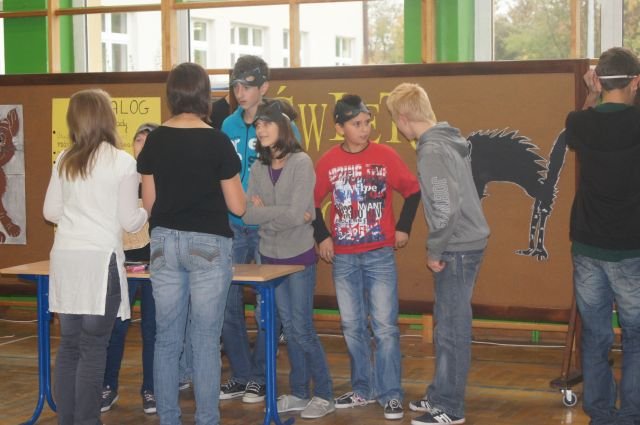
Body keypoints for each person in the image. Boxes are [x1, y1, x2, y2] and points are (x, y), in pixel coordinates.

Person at [137, 62, 245, 425]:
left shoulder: (155, 139)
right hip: (209, 245)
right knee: (205, 339)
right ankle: (206, 419)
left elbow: (148, 205)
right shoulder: (217, 140)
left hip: (164, 243)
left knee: (167, 339)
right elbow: (238, 206)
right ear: (205, 96)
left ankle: (168, 418)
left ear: (171, 95)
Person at [386, 83, 490, 425]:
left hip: (457, 248)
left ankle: (450, 407)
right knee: (447, 324)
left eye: (395, 121)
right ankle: (439, 394)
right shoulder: (447, 139)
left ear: (403, 118)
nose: (397, 128)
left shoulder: (431, 149)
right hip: (464, 243)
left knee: (451, 330)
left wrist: (435, 249)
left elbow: (445, 207)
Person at [312, 94, 421, 421]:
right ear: (340, 128)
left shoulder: (385, 156)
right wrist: (322, 235)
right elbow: (310, 201)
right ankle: (362, 388)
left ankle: (391, 393)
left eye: (367, 122)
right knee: (352, 326)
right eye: (357, 124)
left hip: (379, 255)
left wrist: (403, 228)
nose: (365, 129)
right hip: (344, 258)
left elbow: (413, 191)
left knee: (385, 327)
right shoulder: (329, 162)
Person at [43, 88, 148, 425]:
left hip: (66, 261)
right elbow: (130, 220)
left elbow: (50, 211)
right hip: (100, 262)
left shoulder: (65, 158)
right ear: (107, 118)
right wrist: (147, 209)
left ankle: (67, 420)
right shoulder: (122, 162)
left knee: (69, 346)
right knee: (93, 349)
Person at [243, 99, 335, 419]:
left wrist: (269, 215)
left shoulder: (301, 162)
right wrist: (284, 215)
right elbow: (248, 214)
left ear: (283, 127)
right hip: (270, 257)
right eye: (258, 124)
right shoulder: (258, 167)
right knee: (288, 328)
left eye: (267, 123)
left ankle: (324, 393)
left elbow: (299, 215)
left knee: (301, 328)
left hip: (298, 257)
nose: (261, 129)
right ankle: (298, 392)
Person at [564, 47, 640, 425]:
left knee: (595, 336)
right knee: (636, 336)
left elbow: (579, 123)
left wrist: (591, 94)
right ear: (635, 82)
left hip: (588, 245)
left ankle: (600, 413)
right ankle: (632, 413)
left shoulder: (580, 122)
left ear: (598, 81)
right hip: (631, 247)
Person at [220, 54, 294, 403]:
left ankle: (262, 376)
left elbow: (293, 170)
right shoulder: (227, 125)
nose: (240, 92)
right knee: (227, 302)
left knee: (268, 305)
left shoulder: (280, 124)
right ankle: (241, 373)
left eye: (247, 86)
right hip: (233, 226)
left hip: (266, 228)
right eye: (236, 86)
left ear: (264, 87)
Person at [101, 123, 159, 415]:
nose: (143, 145)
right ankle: (108, 386)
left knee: (153, 330)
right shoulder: (123, 177)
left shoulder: (165, 179)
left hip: (156, 266)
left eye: (149, 141)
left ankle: (151, 389)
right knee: (117, 326)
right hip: (124, 265)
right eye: (138, 140)